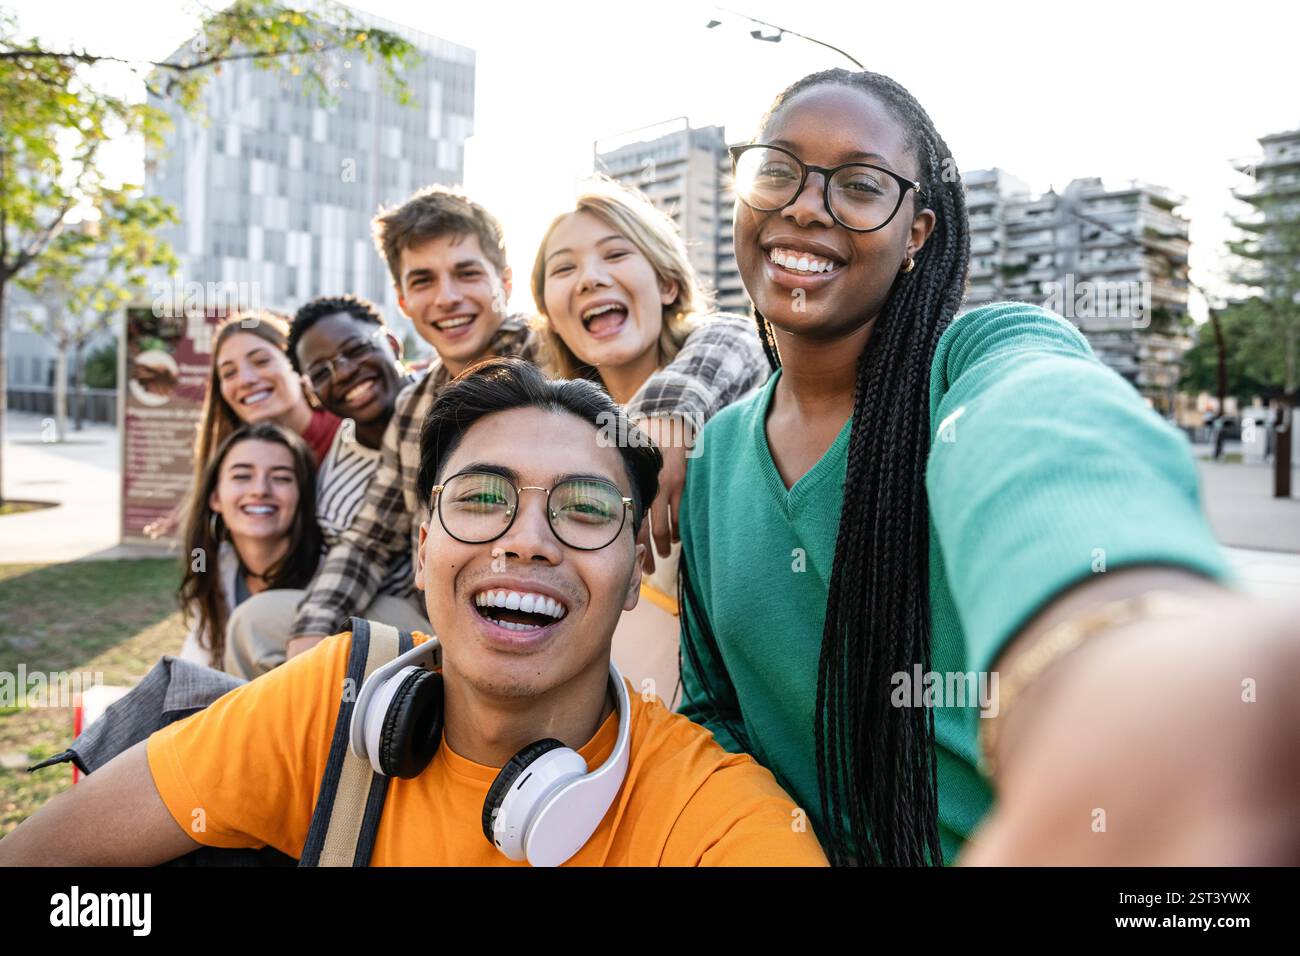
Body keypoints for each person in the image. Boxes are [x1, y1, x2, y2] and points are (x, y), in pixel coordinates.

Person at [676, 68, 1300, 866]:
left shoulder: (973, 359)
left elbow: (1045, 426)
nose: (805, 204)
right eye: (778, 170)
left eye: (862, 186)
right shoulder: (712, 455)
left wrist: (1118, 642)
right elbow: (714, 715)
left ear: (918, 234)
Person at [0, 358, 829, 867]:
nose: (526, 541)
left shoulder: (714, 818)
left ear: (637, 557)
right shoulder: (328, 702)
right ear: (425, 539)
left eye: (582, 509)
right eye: (481, 499)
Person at [281, 184, 777, 672]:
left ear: (507, 282)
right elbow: (368, 539)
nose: (448, 298)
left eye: (466, 273)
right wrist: (312, 627)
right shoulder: (416, 407)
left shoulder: (551, 367)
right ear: (403, 300)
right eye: (424, 281)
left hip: (586, 612)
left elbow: (726, 334)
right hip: (462, 604)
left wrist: (663, 415)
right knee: (287, 638)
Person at [531, 177, 767, 704]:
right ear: (550, 313)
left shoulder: (725, 368)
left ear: (666, 284)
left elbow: (735, 338)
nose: (590, 278)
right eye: (564, 268)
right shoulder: (561, 422)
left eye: (615, 254)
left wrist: (662, 420)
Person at [219, 294, 425, 679]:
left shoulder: (437, 412)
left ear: (392, 344)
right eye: (323, 371)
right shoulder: (337, 456)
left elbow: (369, 546)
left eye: (355, 349)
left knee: (258, 625)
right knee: (252, 628)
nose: (344, 372)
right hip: (359, 606)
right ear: (311, 387)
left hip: (424, 615)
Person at [143, 311, 341, 539]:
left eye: (261, 361)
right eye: (229, 373)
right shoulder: (231, 467)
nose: (246, 379)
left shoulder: (352, 436)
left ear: (296, 364)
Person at [178, 422, 323, 670]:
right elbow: (195, 666)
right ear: (215, 497)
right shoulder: (212, 565)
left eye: (281, 478)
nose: (260, 490)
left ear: (302, 496)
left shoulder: (329, 574)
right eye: (242, 476)